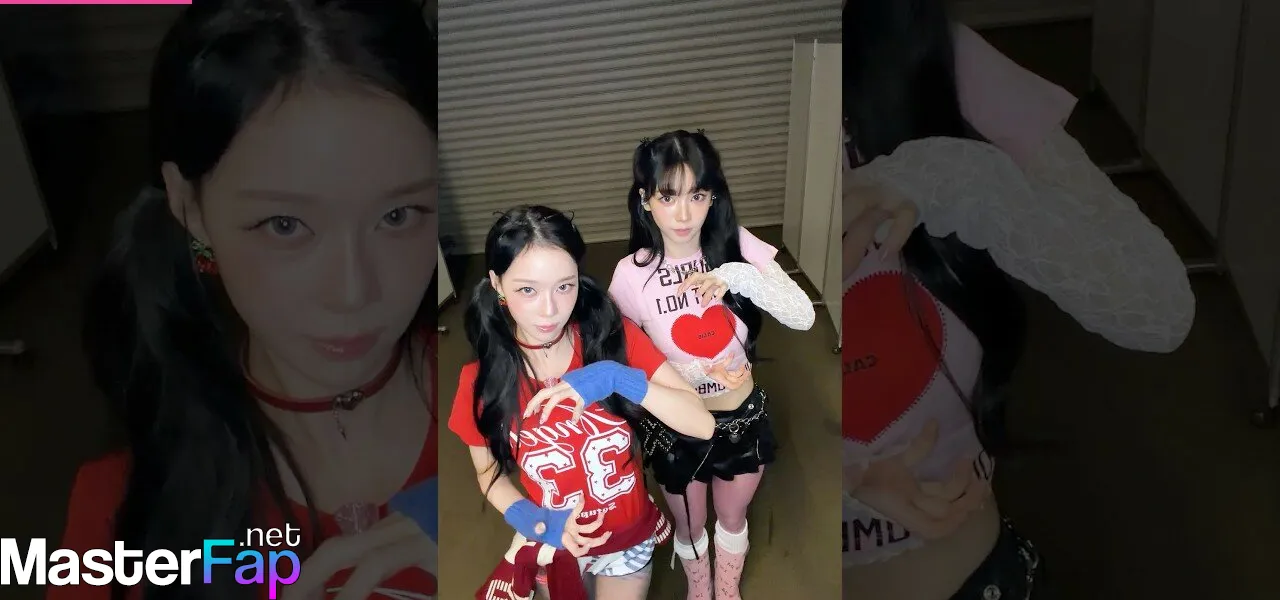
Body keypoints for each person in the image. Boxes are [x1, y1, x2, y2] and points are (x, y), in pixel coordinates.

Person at [49, 1, 439, 599]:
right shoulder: (121, 519)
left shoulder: (533, 409)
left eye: (398, 214)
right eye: (285, 225)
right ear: (190, 206)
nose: (354, 293)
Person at [841, 1, 1195, 599]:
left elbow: (1159, 307)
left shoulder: (928, 53)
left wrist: (957, 180)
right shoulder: (687, 84)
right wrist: (843, 477)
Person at [448, 205, 716, 600]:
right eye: (527, 290)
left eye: (564, 286)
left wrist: (615, 376)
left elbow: (702, 424)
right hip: (555, 542)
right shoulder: (479, 381)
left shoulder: (612, 339)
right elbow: (488, 474)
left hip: (627, 539)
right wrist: (535, 521)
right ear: (497, 284)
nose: (550, 310)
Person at [608, 130, 817, 600]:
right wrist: (698, 375)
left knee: (732, 517)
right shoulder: (630, 274)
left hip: (740, 416)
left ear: (713, 196)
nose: (684, 214)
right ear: (645, 201)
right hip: (677, 427)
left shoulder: (736, 245)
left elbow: (803, 315)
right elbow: (623, 360)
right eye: (668, 197)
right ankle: (699, 589)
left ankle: (727, 588)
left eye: (697, 195)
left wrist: (736, 276)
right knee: (690, 523)